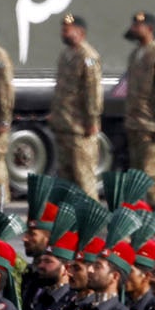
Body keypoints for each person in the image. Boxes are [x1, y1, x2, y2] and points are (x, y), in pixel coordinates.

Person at [122, 12, 155, 203]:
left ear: (149, 28)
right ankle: (139, 214)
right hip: (135, 122)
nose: (134, 29)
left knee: (152, 171)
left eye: (138, 26)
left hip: (151, 124)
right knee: (136, 173)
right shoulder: (136, 54)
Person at [49, 14, 102, 195]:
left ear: (80, 32)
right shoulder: (66, 55)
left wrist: (92, 120)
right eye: (63, 29)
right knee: (66, 179)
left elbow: (92, 92)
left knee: (83, 177)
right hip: (65, 126)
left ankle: (90, 220)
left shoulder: (87, 56)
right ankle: (70, 220)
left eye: (67, 29)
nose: (63, 32)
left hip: (80, 128)